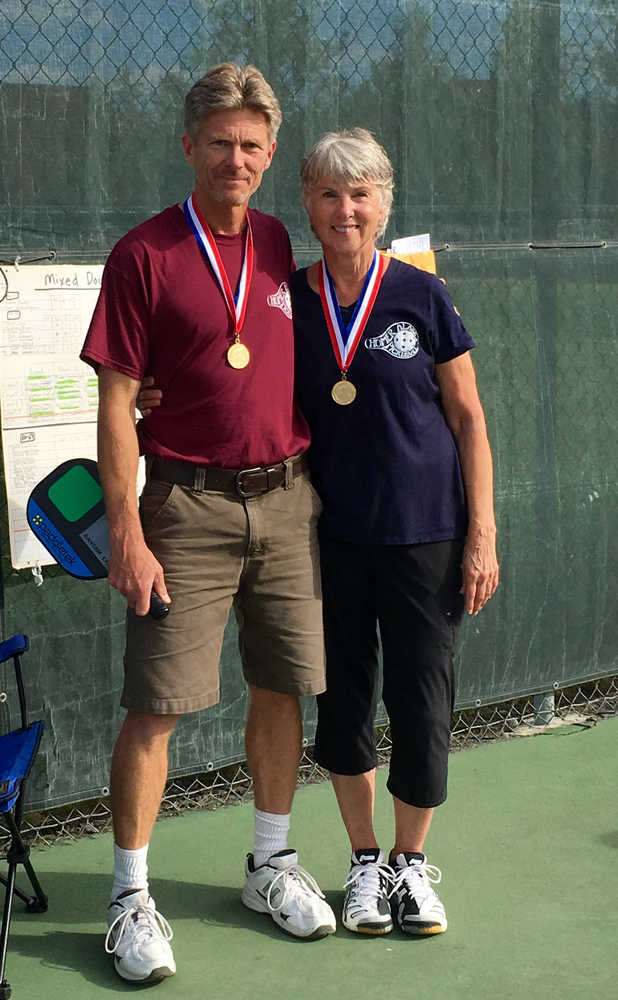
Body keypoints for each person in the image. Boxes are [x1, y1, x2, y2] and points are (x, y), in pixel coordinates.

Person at [138, 127, 499, 938]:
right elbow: (222, 361)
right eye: (330, 194)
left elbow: (470, 420)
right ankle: (364, 861)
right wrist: (152, 391)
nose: (345, 210)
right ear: (306, 202)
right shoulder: (282, 298)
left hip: (426, 535)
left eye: (360, 194)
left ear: (383, 204)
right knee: (342, 703)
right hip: (323, 537)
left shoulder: (421, 294)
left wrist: (482, 533)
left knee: (422, 700)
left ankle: (411, 864)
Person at [80, 63, 336, 985]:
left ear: (271, 155)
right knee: (156, 706)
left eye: (252, 145)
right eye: (221, 142)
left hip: (288, 500)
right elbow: (117, 403)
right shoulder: (142, 254)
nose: (237, 159)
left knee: (282, 688)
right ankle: (129, 898)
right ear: (190, 146)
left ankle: (270, 863)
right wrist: (126, 530)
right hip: (184, 508)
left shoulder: (276, 240)